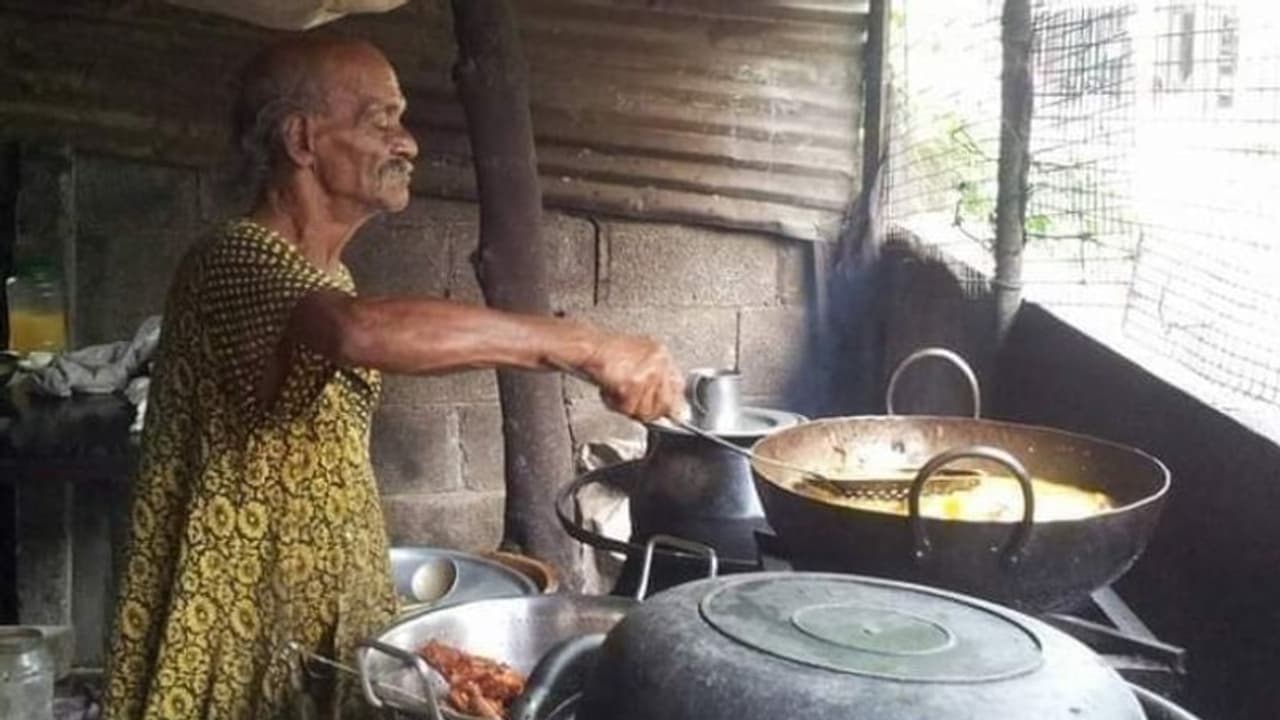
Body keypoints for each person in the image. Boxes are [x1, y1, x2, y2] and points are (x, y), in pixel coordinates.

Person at [101, 36, 684, 720]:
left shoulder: (329, 276)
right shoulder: (234, 258)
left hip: (309, 613)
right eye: (381, 120)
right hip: (238, 626)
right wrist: (584, 344)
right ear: (301, 139)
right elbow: (361, 331)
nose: (406, 142)